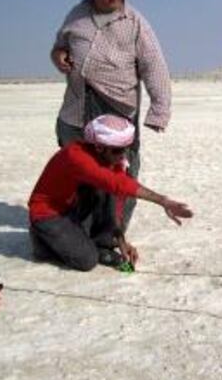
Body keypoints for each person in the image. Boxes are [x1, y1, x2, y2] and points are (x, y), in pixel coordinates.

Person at [50, 0, 172, 233]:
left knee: (118, 180)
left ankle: (109, 237)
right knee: (80, 176)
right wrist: (58, 55)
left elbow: (155, 67)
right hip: (75, 113)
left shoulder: (135, 23)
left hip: (117, 114)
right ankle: (80, 230)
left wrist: (159, 112)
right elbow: (59, 46)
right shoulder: (77, 15)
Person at [28, 115, 192, 271]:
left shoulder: (112, 159)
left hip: (72, 206)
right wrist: (163, 201)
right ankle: (43, 242)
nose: (122, 155)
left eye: (125, 150)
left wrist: (120, 241)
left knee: (106, 192)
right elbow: (118, 184)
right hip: (48, 214)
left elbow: (117, 199)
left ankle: (102, 243)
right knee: (87, 261)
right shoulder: (76, 156)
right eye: (117, 151)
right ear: (99, 147)